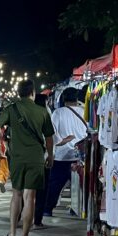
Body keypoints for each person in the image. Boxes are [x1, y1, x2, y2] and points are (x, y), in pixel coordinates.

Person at [0, 80, 53, 236]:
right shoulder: (42, 111)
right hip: (36, 158)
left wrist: (3, 139)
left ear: (19, 93)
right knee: (30, 197)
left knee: (16, 195)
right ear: (32, 93)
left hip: (17, 157)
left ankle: (12, 233)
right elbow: (49, 138)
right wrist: (51, 156)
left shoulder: (11, 109)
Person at [45, 87, 88, 219]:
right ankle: (85, 210)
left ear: (63, 99)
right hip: (81, 156)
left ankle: (47, 209)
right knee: (82, 186)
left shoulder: (57, 113)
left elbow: (52, 134)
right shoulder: (84, 112)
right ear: (76, 99)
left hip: (62, 156)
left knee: (54, 185)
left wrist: (53, 150)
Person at [32, 93, 53, 228]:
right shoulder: (46, 114)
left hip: (25, 157)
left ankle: (17, 219)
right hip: (42, 157)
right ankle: (37, 220)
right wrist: (50, 155)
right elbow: (49, 138)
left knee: (24, 192)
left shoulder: (26, 114)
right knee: (41, 191)